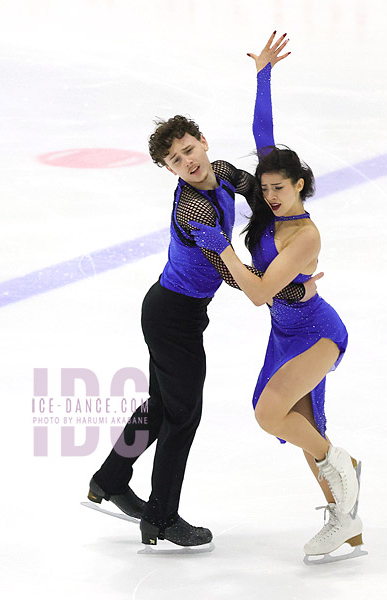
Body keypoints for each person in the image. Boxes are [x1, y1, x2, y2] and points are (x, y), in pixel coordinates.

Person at [87, 32, 319, 548]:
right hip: (172, 316)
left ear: (204, 143)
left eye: (189, 149)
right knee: (182, 414)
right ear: (168, 170)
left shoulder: (221, 174)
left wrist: (263, 76)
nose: (187, 162)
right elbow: (238, 276)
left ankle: (109, 480)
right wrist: (287, 290)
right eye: (175, 160)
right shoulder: (192, 209)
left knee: (159, 404)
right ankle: (161, 518)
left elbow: (264, 174)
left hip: (174, 310)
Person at [189, 33, 364, 560]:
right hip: (285, 331)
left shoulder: (303, 235)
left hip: (315, 332)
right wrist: (263, 74)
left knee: (272, 416)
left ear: (300, 184)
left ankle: (344, 465)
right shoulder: (270, 199)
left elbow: (260, 291)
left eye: (279, 188)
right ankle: (347, 523)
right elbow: (262, 130)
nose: (268, 195)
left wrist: (223, 250)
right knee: (304, 428)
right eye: (265, 188)